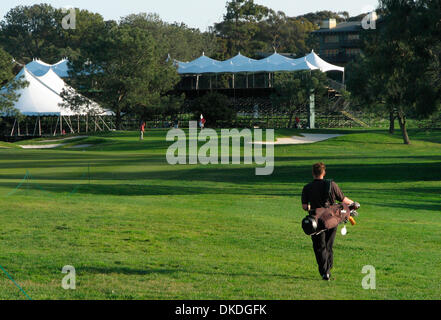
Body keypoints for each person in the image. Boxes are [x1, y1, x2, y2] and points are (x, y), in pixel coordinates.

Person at [301, 162, 354, 281]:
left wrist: (313, 208)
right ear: (323, 173)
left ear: (313, 173)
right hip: (332, 219)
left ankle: (325, 272)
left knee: (320, 247)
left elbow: (305, 206)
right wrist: (354, 204)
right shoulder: (332, 185)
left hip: (315, 222)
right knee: (329, 245)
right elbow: (343, 199)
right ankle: (329, 268)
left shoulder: (307, 187)